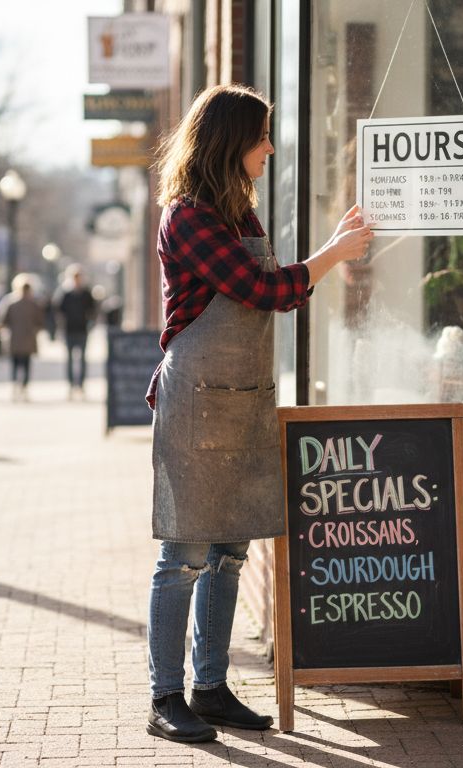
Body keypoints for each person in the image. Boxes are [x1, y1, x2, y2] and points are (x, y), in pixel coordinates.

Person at [144, 84, 373, 744]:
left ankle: (210, 689)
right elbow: (259, 290)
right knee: (184, 553)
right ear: (231, 142)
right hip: (195, 402)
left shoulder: (240, 215)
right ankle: (165, 698)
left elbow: (267, 293)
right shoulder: (187, 217)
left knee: (229, 552)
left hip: (242, 400)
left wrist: (327, 250)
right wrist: (330, 253)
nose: (270, 147)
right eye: (261, 136)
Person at [0, 274, 46, 401]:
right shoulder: (33, 303)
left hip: (15, 339)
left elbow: (2, 320)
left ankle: (16, 386)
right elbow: (40, 321)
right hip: (28, 339)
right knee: (25, 364)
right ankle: (23, 387)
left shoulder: (10, 302)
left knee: (16, 364)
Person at [52, 264, 98, 399]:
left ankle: (81, 386)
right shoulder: (65, 293)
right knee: (70, 360)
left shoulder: (86, 293)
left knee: (83, 359)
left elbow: (93, 310)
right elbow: (58, 310)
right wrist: (60, 325)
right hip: (69, 330)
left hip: (83, 330)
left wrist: (91, 323)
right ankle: (71, 386)